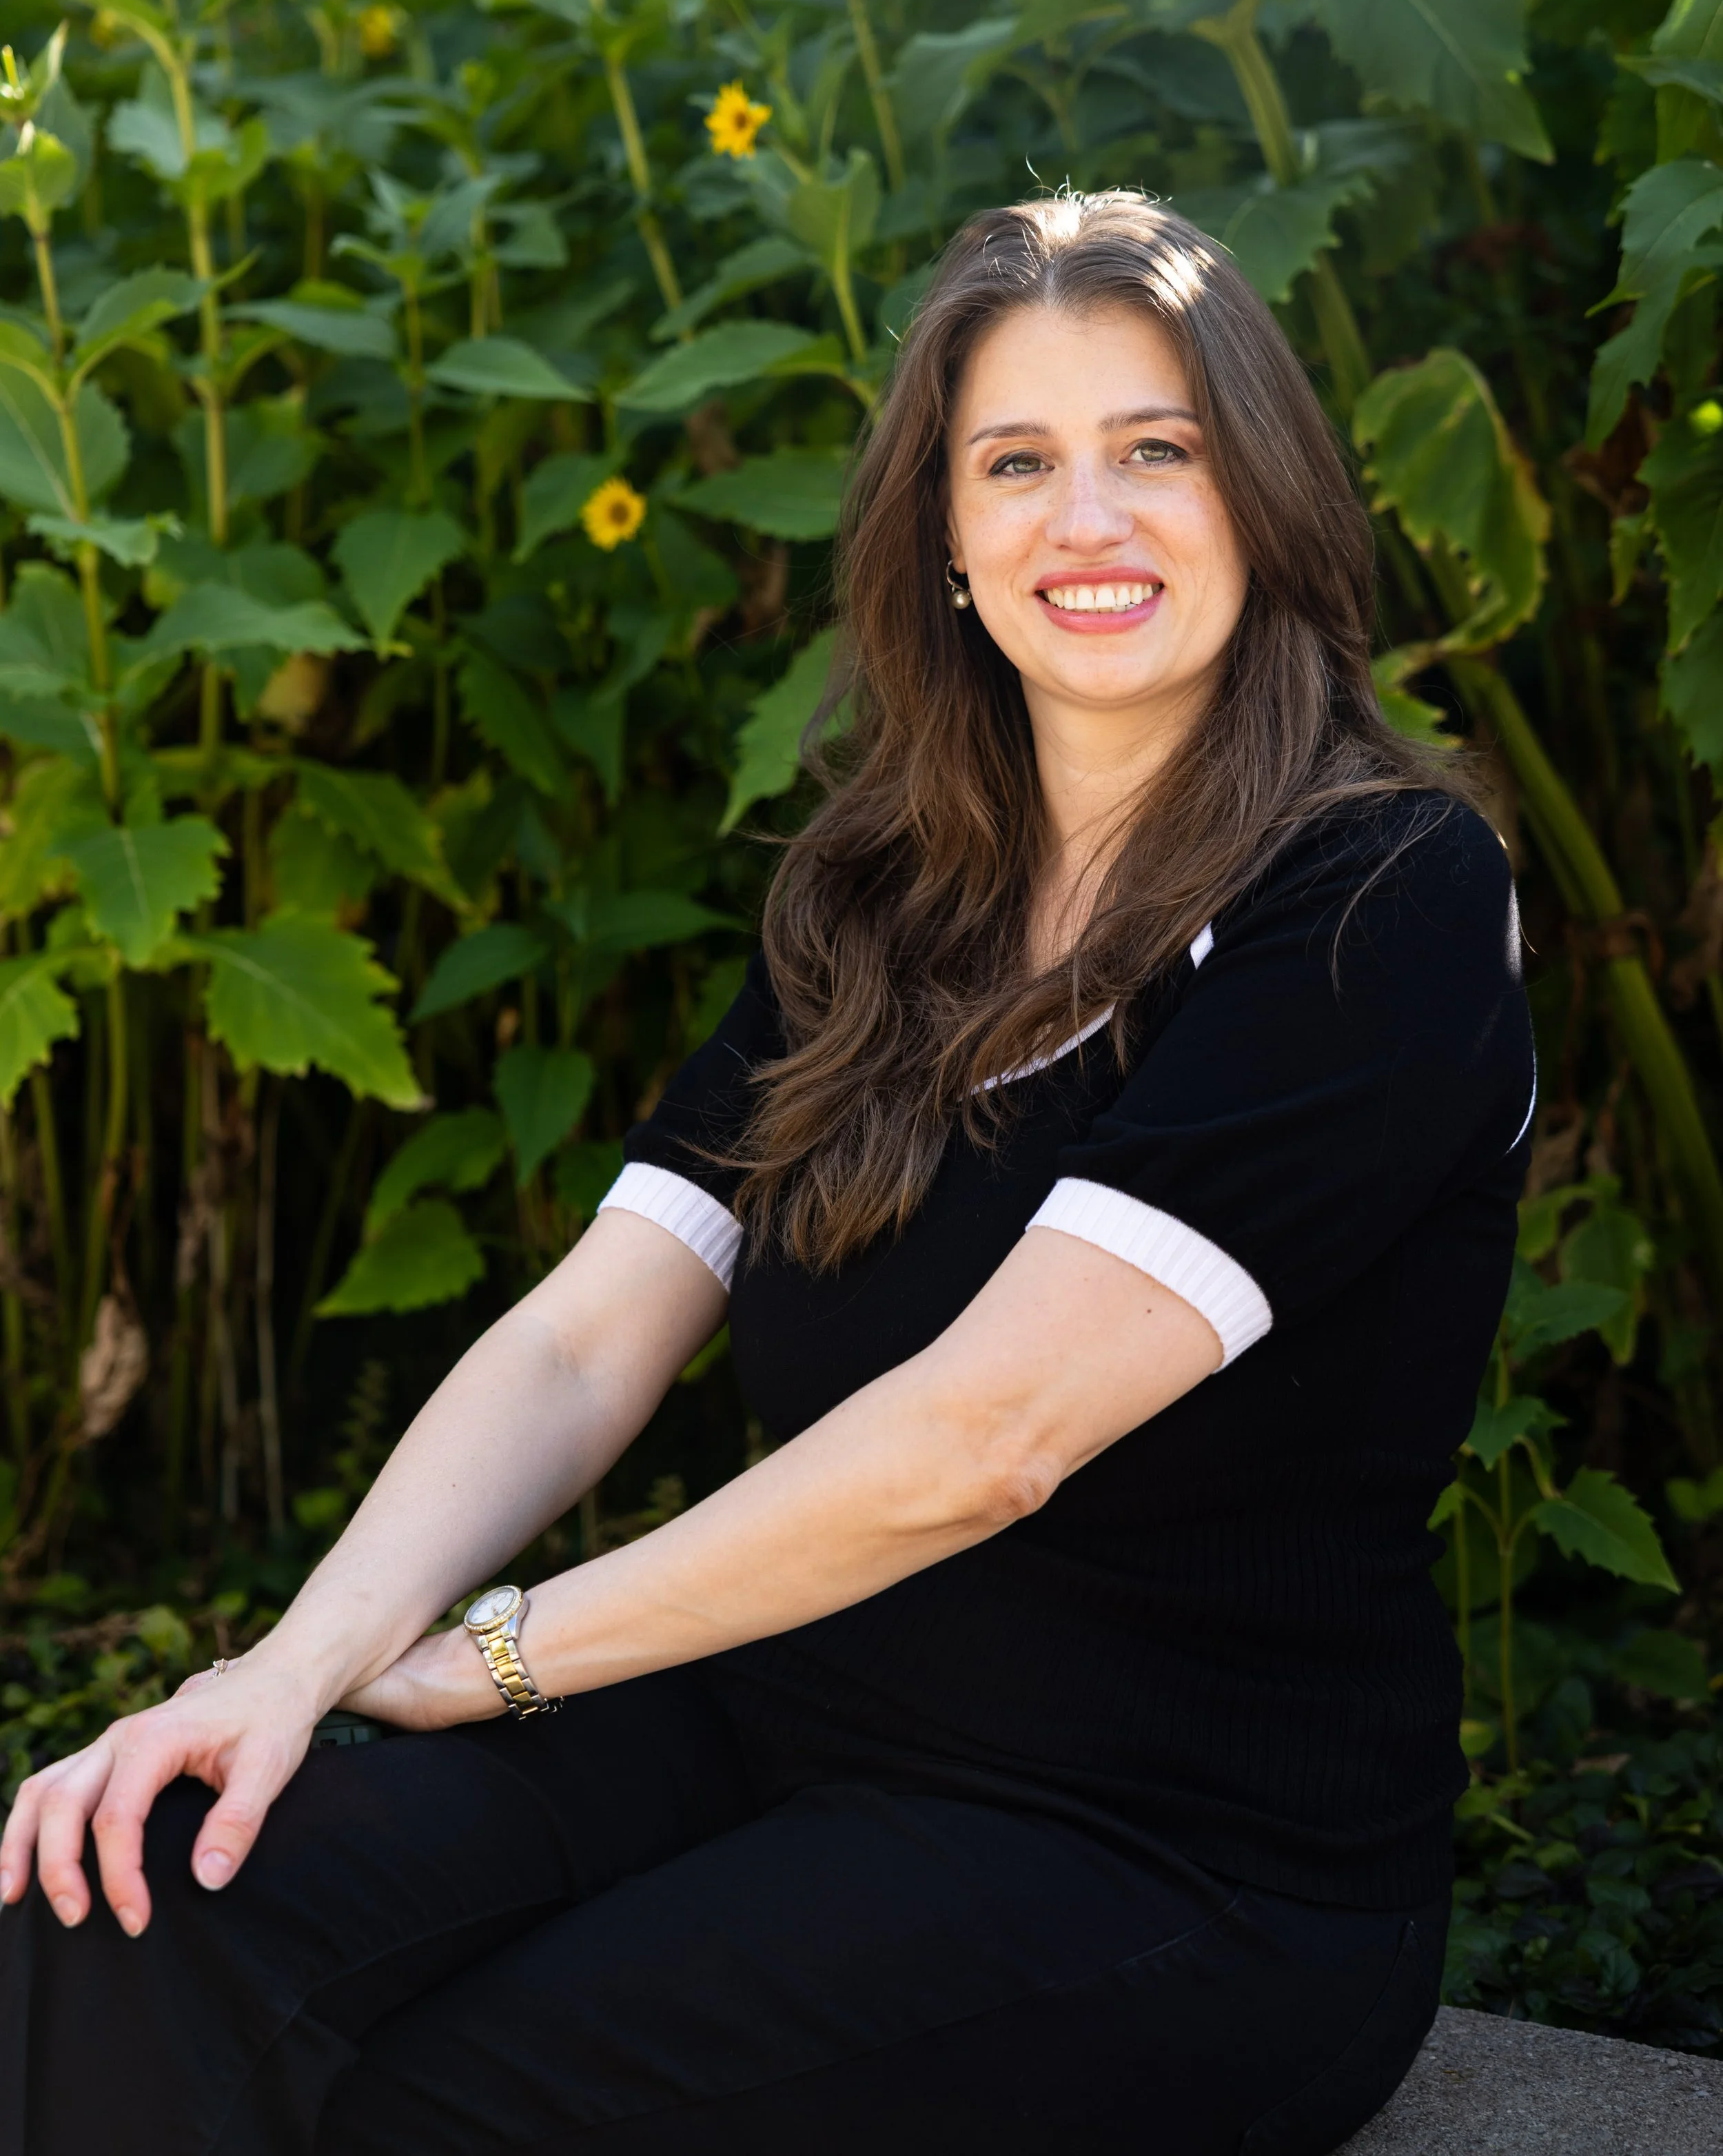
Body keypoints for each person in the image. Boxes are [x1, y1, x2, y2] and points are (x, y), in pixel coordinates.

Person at [0, 193, 1533, 2156]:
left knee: (429, 2103)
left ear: (1268, 498)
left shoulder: (1376, 898)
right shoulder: (883, 895)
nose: (1090, 517)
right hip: (782, 1723)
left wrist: (493, 1660)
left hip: (1175, 1867)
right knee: (136, 1895)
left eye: (1158, 448)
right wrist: (290, 1670)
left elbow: (984, 1439)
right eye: (1017, 463)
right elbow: (583, 1336)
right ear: (947, 547)